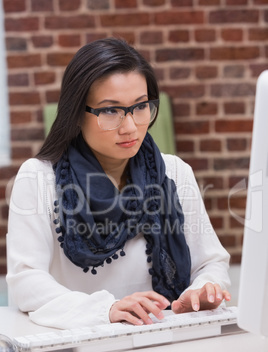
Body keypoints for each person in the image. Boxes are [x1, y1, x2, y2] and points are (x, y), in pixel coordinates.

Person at [6, 38, 231, 330]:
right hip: (78, 348)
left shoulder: (175, 172)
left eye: (140, 107)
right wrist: (107, 310)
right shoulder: (37, 179)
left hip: (162, 337)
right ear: (76, 113)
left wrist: (201, 292)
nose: (130, 127)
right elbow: (26, 282)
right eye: (110, 111)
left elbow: (210, 263)